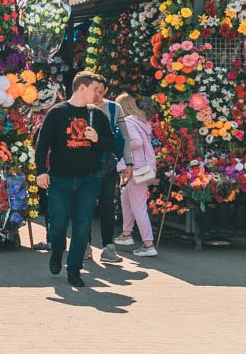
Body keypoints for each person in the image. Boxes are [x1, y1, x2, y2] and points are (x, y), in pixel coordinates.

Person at [34, 71, 117, 286]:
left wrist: (98, 138)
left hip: (89, 179)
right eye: (94, 89)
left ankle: (74, 270)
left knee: (82, 225)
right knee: (59, 224)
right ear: (82, 87)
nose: (98, 94)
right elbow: (42, 145)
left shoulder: (97, 115)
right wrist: (41, 171)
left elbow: (111, 144)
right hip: (60, 178)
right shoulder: (57, 113)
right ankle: (57, 252)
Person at [91, 76, 133, 263]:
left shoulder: (115, 108)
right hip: (84, 166)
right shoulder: (81, 106)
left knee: (108, 206)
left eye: (101, 90)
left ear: (106, 90)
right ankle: (84, 246)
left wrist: (129, 164)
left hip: (108, 165)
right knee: (85, 207)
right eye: (94, 90)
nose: (97, 94)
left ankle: (108, 247)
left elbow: (125, 137)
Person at [113, 93, 159, 257]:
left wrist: (118, 144)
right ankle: (126, 234)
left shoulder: (128, 122)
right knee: (126, 200)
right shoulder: (140, 121)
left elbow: (136, 142)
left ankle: (148, 245)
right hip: (140, 167)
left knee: (138, 207)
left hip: (135, 168)